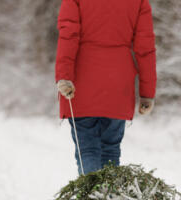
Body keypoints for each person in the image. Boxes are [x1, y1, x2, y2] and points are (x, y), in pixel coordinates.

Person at [55, 0, 157, 175]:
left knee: (87, 149)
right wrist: (147, 93)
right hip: (118, 85)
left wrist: (64, 76)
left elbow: (68, 35)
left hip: (82, 82)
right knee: (110, 150)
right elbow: (145, 47)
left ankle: (92, 193)